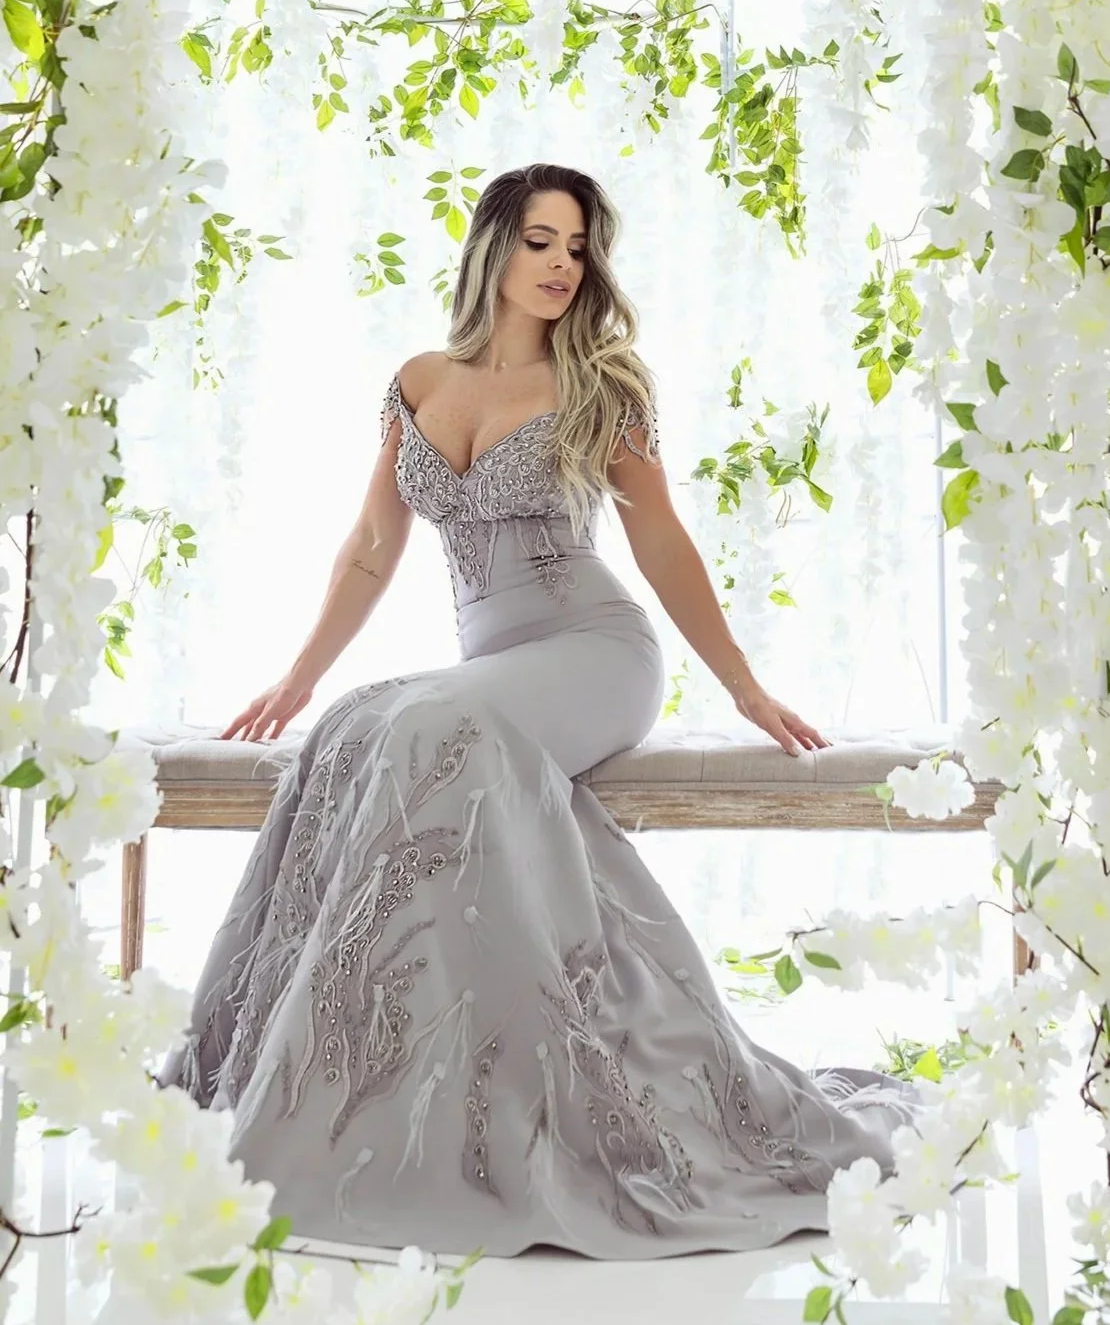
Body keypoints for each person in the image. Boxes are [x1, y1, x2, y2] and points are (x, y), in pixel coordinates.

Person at [157, 161, 920, 1260]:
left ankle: (477, 1101)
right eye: (542, 241)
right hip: (490, 669)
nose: (564, 264)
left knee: (425, 723)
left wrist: (744, 681)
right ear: (492, 249)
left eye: (578, 246)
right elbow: (372, 548)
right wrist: (299, 675)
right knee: (358, 721)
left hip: (594, 653)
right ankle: (369, 1074)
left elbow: (658, 539)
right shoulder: (418, 379)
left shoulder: (603, 383)